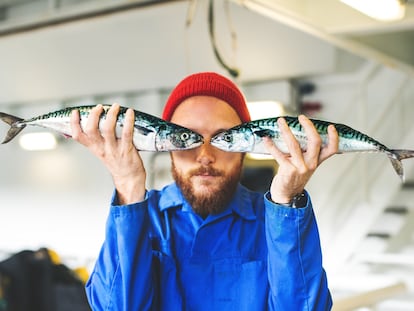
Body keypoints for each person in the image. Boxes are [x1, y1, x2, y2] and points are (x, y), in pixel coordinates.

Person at [70, 72, 339, 311]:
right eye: (188, 137)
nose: (205, 155)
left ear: (245, 146)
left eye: (224, 138)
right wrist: (127, 185)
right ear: (166, 145)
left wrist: (287, 200)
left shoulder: (275, 220)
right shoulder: (143, 215)